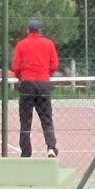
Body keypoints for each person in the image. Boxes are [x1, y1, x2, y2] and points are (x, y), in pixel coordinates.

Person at [9, 17, 59, 158]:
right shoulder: (49, 44)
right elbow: (54, 65)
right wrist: (44, 73)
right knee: (46, 118)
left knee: (25, 120)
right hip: (43, 84)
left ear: (27, 30)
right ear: (40, 30)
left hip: (27, 85)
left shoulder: (21, 45)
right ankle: (51, 147)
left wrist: (22, 76)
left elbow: (16, 67)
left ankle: (26, 152)